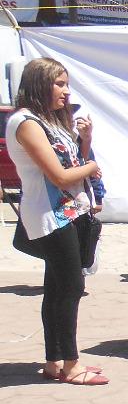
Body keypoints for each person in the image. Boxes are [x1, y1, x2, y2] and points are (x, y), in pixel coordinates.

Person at [6, 58, 107, 386]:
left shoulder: (47, 120)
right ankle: (70, 364)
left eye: (67, 83)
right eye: (59, 84)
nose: (66, 91)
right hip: (51, 217)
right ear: (39, 83)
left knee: (58, 289)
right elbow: (60, 176)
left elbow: (69, 161)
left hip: (69, 213)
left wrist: (85, 143)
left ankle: (56, 362)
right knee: (70, 289)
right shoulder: (26, 122)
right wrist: (91, 168)